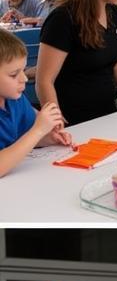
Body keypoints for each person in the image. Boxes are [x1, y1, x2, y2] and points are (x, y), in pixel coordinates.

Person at [0, 32, 72, 179]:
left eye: (23, 70)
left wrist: (49, 137)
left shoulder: (15, 101)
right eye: (14, 74)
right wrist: (39, 130)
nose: (24, 78)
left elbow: (23, 138)